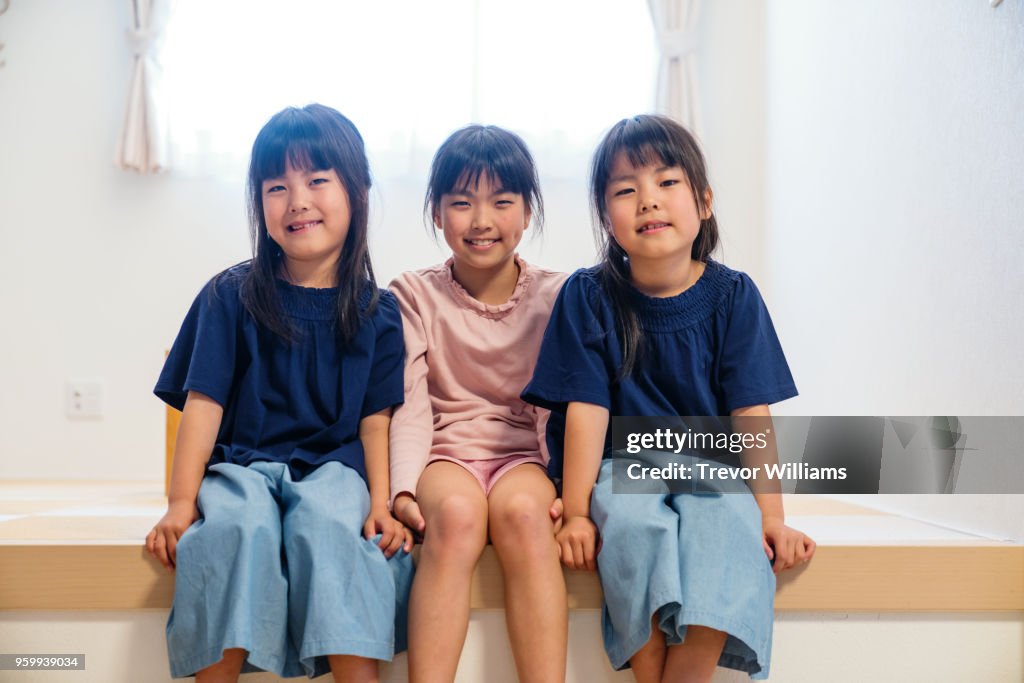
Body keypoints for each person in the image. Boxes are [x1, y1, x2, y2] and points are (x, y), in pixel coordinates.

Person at [523, 114, 816, 682]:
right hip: (621, 465)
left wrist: (773, 516)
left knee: (729, 530)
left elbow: (751, 412)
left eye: (667, 183)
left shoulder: (734, 295)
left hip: (712, 466)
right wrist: (577, 513)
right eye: (625, 191)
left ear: (703, 202)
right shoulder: (588, 295)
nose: (648, 201)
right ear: (606, 217)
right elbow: (585, 412)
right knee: (631, 530)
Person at [146, 104, 414, 683]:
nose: (297, 200)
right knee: (234, 530)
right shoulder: (230, 294)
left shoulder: (379, 312)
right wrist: (178, 503)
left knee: (332, 528)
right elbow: (204, 405)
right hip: (243, 466)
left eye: (317, 180)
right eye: (277, 186)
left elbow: (376, 422)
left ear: (357, 191)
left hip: (337, 470)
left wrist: (382, 501)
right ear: (258, 202)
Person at [388, 125, 569, 683]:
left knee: (522, 515)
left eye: (502, 201)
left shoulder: (559, 294)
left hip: (525, 458)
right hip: (446, 454)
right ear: (437, 213)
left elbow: (563, 408)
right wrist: (400, 489)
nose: (481, 219)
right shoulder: (412, 294)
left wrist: (571, 495)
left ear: (528, 212)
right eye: (461, 202)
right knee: (459, 517)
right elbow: (412, 406)